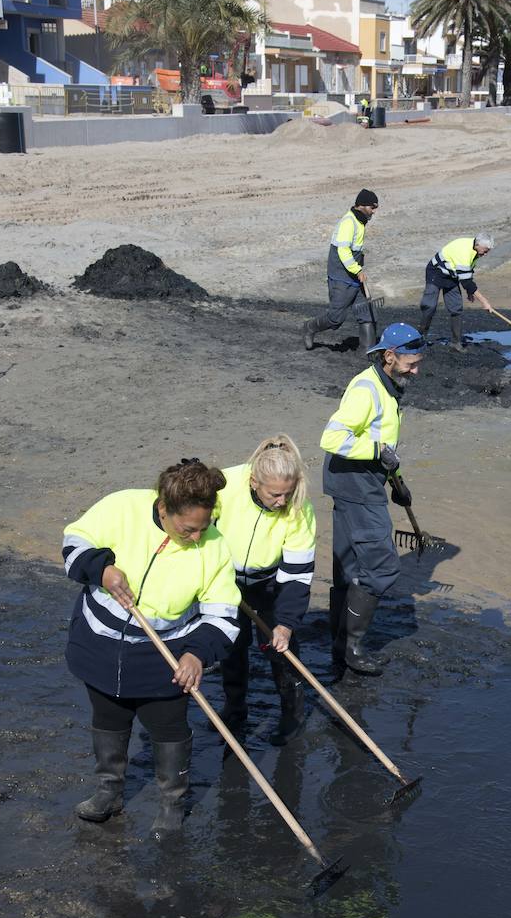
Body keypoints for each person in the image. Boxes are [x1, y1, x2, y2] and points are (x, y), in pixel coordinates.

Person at [62, 459, 241, 837]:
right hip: (101, 647)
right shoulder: (121, 507)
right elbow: (74, 542)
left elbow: (223, 616)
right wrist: (102, 570)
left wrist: (196, 654)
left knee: (169, 728)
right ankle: (108, 792)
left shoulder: (214, 548)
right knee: (109, 718)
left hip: (165, 658)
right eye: (187, 528)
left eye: (202, 527)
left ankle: (172, 804)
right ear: (164, 508)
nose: (196, 537)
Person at [320, 321, 425, 675]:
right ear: (390, 356)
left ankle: (340, 645)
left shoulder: (388, 384)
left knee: (349, 566)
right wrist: (378, 453)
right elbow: (332, 439)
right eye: (411, 363)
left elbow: (383, 445)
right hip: (356, 486)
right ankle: (351, 648)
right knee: (382, 569)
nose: (417, 369)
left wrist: (397, 481)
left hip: (358, 481)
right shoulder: (366, 389)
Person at [212, 435, 316, 743]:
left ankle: (292, 714)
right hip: (225, 579)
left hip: (271, 582)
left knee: (281, 650)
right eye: (275, 495)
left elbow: (297, 576)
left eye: (288, 493)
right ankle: (234, 709)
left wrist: (285, 625)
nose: (282, 501)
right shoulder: (225, 485)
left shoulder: (299, 508)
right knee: (230, 643)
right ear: (254, 481)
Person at [303, 188, 379, 353]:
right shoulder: (348, 223)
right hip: (342, 278)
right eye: (372, 208)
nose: (373, 211)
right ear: (361, 205)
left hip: (353, 276)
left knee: (366, 313)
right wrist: (357, 270)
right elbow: (343, 251)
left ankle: (369, 353)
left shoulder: (359, 222)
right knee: (335, 319)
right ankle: (309, 327)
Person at [418, 233, 495, 351]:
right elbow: (467, 282)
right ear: (478, 244)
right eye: (485, 251)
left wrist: (470, 293)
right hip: (436, 272)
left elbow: (468, 272)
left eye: (487, 252)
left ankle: (455, 343)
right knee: (429, 306)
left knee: (456, 307)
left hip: (451, 275)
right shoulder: (463, 251)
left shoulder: (475, 250)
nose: (485, 254)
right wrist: (484, 301)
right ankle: (420, 339)